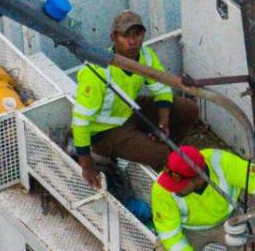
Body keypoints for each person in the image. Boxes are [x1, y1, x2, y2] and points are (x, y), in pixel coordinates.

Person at [72, 10, 199, 188]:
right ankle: (164, 167)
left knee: (189, 109)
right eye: (125, 36)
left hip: (129, 108)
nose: (132, 41)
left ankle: (168, 154)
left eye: (137, 35)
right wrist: (86, 165)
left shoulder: (145, 55)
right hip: (105, 132)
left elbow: (162, 88)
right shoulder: (97, 71)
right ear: (113, 37)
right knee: (160, 153)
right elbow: (80, 122)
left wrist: (163, 122)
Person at [151, 145, 255, 251]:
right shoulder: (161, 189)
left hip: (230, 218)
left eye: (179, 185)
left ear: (199, 177)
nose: (172, 189)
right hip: (190, 230)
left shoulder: (222, 162)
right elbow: (170, 235)